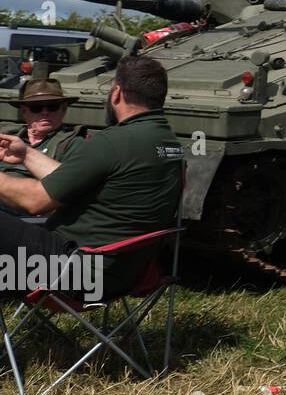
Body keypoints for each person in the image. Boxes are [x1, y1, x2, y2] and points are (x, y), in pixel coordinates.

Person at [0, 56, 184, 298]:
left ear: (116, 93)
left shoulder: (111, 143)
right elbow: (70, 181)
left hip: (74, 273)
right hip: (127, 274)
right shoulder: (170, 145)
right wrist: (27, 155)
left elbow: (35, 202)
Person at [0, 78, 87, 182]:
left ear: (63, 109)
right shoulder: (6, 136)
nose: (45, 113)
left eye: (52, 107)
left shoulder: (72, 144)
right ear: (23, 112)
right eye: (36, 108)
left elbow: (72, 184)